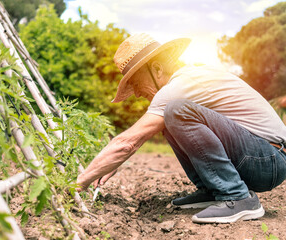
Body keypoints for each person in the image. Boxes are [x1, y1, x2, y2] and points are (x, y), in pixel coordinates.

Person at [77, 33, 286, 223]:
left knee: (175, 110)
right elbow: (136, 139)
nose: (137, 93)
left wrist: (80, 183)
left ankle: (236, 196)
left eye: (137, 84)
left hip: (269, 160)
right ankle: (213, 189)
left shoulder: (180, 86)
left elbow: (128, 142)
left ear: (157, 69)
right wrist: (111, 162)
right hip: (264, 157)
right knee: (169, 117)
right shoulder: (188, 79)